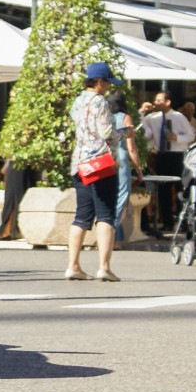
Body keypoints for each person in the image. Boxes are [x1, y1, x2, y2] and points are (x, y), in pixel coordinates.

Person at [66, 62, 124, 282]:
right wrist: (123, 133)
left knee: (81, 215)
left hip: (79, 163)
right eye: (107, 82)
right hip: (101, 163)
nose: (108, 86)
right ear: (99, 81)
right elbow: (106, 132)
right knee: (106, 215)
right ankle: (104, 267)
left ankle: (73, 266)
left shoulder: (78, 101)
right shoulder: (100, 102)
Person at [140, 90, 194, 233]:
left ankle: (183, 221)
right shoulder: (153, 118)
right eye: (155, 100)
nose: (156, 103)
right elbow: (143, 129)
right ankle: (167, 221)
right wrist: (141, 112)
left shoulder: (178, 117)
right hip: (161, 155)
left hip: (177, 155)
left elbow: (191, 135)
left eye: (159, 100)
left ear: (167, 102)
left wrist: (177, 138)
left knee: (179, 188)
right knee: (162, 189)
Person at [108, 91, 144, 244]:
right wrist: (138, 168)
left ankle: (115, 239)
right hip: (121, 161)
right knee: (122, 200)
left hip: (107, 160)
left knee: (110, 199)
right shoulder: (124, 117)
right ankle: (110, 236)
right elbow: (132, 147)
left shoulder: (105, 116)